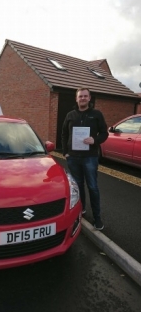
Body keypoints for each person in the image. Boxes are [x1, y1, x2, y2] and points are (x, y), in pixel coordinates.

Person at [61, 87, 108, 230]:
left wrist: (95, 140)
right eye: (80, 96)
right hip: (73, 158)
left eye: (85, 96)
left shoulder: (96, 114)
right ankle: (81, 209)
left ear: (89, 98)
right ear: (76, 98)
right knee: (78, 186)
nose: (82, 98)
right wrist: (65, 152)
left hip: (90, 157)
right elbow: (63, 134)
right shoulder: (70, 115)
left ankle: (97, 218)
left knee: (93, 187)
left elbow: (104, 133)